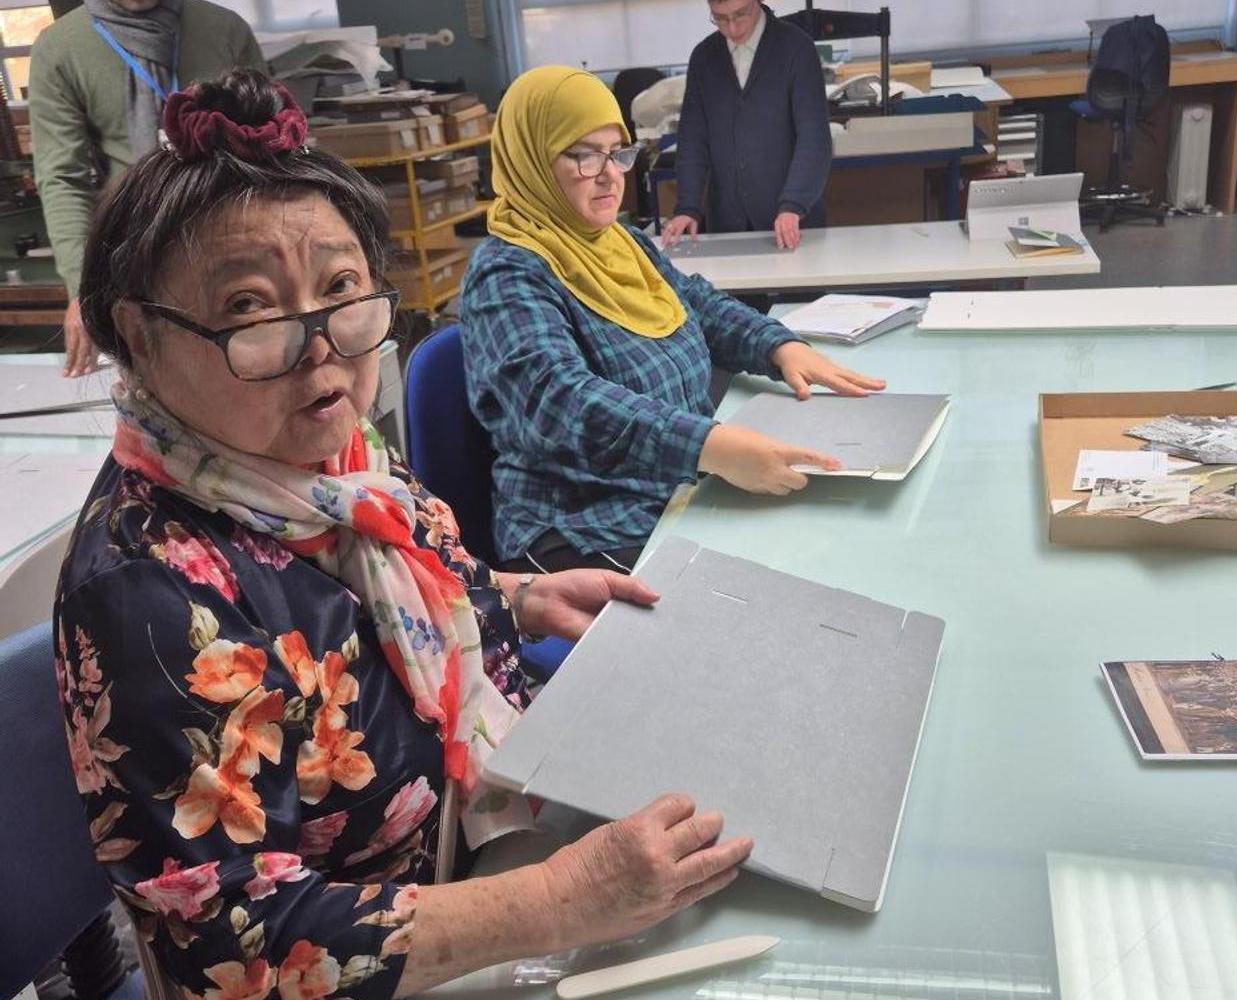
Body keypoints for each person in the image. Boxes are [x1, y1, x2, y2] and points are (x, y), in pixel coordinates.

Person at [55, 69, 752, 1000]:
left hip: (480, 852)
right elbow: (229, 944)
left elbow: (399, 585)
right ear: (138, 334)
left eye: (343, 289)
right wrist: (558, 898)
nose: (323, 350)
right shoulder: (148, 590)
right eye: (250, 310)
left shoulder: (328, 461)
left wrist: (513, 593)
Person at [460, 66, 883, 575]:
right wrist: (710, 446)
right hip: (585, 526)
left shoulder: (619, 240)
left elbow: (695, 304)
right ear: (530, 157)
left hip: (675, 489)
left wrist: (778, 346)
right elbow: (560, 403)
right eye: (582, 154)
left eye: (617, 151)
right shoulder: (508, 272)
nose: (610, 173)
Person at [29, 0, 263, 377]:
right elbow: (64, 179)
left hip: (237, 241)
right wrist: (80, 289)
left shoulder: (224, 30)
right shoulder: (61, 48)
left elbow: (269, 143)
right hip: (136, 256)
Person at [662, 0, 831, 250]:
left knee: (800, 288)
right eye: (720, 18)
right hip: (728, 225)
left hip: (793, 223)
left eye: (740, 15)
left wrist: (793, 204)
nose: (732, 28)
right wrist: (688, 207)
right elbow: (692, 140)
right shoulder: (704, 57)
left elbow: (814, 139)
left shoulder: (796, 48)